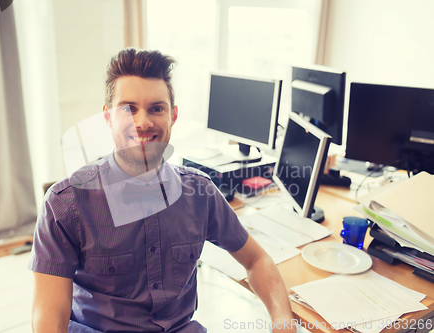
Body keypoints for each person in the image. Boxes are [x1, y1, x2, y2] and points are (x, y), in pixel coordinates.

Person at [28, 48, 296, 333]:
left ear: (173, 115)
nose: (143, 122)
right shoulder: (65, 204)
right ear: (107, 118)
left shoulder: (200, 192)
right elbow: (49, 320)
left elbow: (257, 260)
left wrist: (283, 321)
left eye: (156, 108)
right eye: (128, 108)